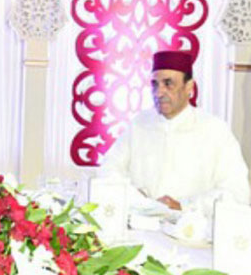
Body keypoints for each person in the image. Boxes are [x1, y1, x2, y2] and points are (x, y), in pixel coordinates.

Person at [102, 50, 250, 214]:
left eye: (168, 84)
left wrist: (184, 206)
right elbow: (108, 171)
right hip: (139, 223)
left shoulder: (215, 130)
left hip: (192, 227)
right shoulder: (139, 124)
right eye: (155, 84)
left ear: (189, 87)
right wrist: (138, 199)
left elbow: (238, 192)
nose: (159, 93)